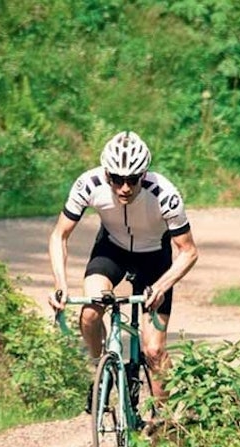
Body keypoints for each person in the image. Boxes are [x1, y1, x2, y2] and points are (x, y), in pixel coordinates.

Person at [48, 130, 199, 406]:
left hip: (154, 258)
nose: (124, 188)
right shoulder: (89, 184)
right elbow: (60, 235)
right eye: (117, 179)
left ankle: (166, 423)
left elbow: (188, 251)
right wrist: (60, 284)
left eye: (132, 180)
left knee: (153, 351)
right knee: (90, 315)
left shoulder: (165, 194)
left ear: (144, 174)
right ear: (107, 175)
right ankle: (101, 367)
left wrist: (161, 286)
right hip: (112, 250)